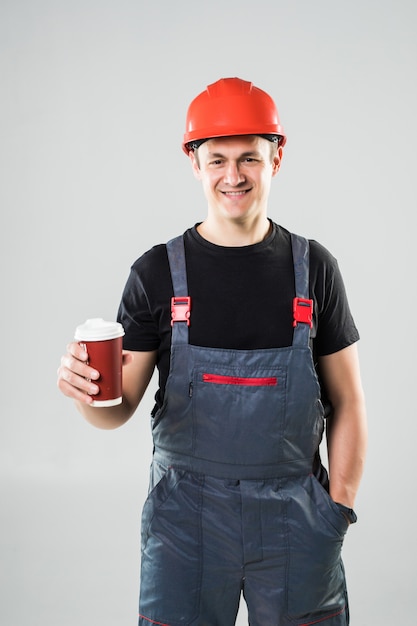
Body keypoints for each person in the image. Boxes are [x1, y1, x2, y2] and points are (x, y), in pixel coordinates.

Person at [57, 77, 368, 625]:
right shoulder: (156, 274)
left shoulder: (314, 268)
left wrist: (336, 509)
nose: (233, 176)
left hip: (296, 519)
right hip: (187, 523)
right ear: (194, 163)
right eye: (217, 158)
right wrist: (87, 393)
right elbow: (118, 408)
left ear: (276, 158)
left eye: (249, 158)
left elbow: (349, 403)